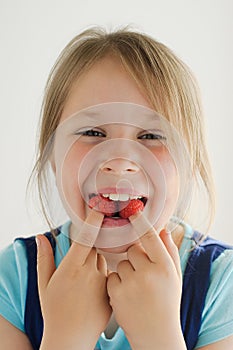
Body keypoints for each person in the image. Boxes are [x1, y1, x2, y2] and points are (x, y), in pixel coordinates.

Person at [0, 27, 233, 350]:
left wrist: (158, 336)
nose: (120, 161)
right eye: (93, 132)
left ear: (190, 163)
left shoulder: (223, 283)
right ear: (52, 154)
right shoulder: (12, 279)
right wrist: (65, 338)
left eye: (152, 136)